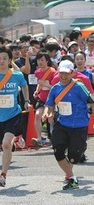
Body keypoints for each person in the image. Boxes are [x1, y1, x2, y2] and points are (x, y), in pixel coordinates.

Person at [44, 60, 94, 190]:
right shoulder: (55, 88)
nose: (63, 76)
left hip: (79, 126)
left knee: (74, 157)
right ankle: (72, 177)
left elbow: (93, 102)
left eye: (67, 74)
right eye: (61, 73)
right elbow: (49, 105)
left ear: (72, 73)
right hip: (62, 124)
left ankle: (71, 171)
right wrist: (48, 113)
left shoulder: (79, 87)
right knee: (58, 150)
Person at [0, 46, 31, 187]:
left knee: (6, 144)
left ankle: (3, 175)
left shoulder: (17, 75)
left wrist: (26, 101)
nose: (1, 61)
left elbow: (24, 86)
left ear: (9, 60)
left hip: (12, 115)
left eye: (4, 59)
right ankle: (18, 137)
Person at [31, 50, 57, 147]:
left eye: (42, 60)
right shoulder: (37, 72)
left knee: (51, 119)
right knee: (38, 115)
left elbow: (55, 87)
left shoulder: (53, 72)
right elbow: (39, 83)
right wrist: (37, 91)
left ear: (47, 61)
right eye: (38, 60)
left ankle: (55, 138)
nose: (40, 62)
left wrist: (46, 84)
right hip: (42, 98)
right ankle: (39, 138)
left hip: (52, 99)